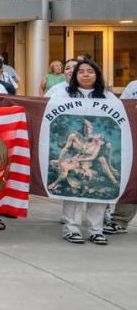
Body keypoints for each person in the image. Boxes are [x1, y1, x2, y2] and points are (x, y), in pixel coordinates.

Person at [48, 60, 117, 245]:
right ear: (75, 75)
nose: (86, 74)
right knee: (73, 192)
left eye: (90, 71)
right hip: (75, 158)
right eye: (81, 71)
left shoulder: (108, 97)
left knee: (97, 196)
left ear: (97, 74)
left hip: (94, 158)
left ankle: (96, 230)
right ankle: (71, 229)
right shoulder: (63, 94)